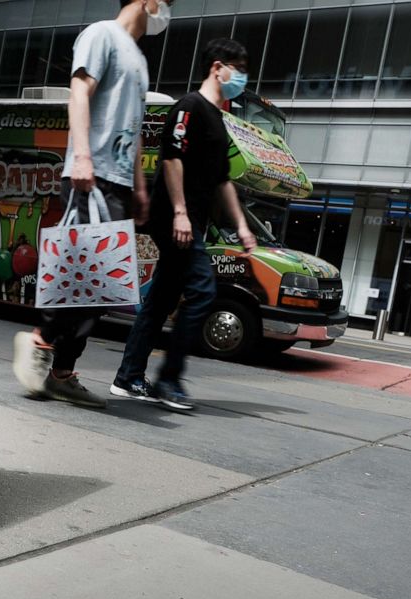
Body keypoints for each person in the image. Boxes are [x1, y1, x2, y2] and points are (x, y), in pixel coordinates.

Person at [12, 0, 172, 408]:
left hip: (118, 182)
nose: (166, 12)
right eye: (166, 4)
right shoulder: (102, 35)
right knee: (79, 274)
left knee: (102, 286)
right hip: (90, 174)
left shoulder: (138, 57)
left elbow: (134, 131)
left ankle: (62, 373)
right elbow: (79, 92)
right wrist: (81, 155)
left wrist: (139, 187)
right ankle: (40, 341)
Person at [110, 38, 258, 411]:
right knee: (203, 292)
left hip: (192, 222)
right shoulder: (189, 107)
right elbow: (172, 160)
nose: (241, 78)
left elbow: (223, 181)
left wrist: (241, 226)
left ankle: (128, 377)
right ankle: (168, 380)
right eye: (238, 70)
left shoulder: (219, 120)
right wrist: (178, 211)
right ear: (217, 68)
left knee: (160, 300)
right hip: (174, 219)